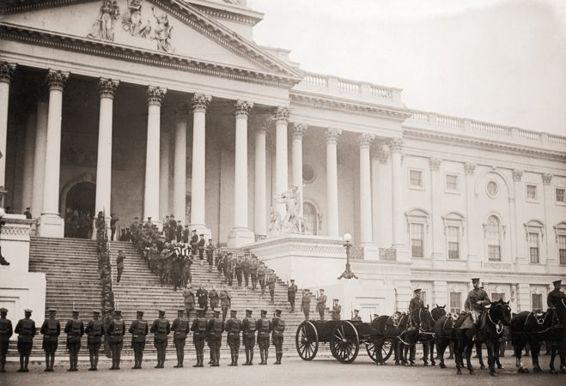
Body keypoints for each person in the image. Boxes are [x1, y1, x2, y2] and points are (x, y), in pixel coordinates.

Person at [0, 308, 12, 373]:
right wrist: (7, 336)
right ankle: (2, 368)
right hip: (5, 339)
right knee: (3, 354)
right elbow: (11, 332)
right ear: (6, 314)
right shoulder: (8, 321)